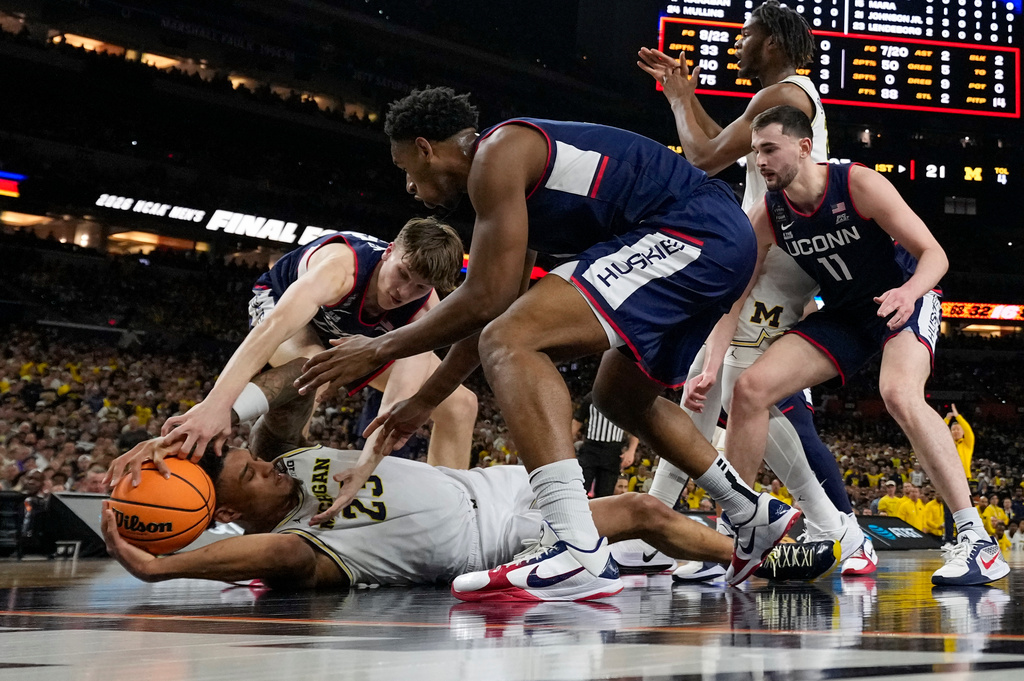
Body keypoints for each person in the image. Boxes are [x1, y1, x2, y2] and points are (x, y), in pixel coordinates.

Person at [293, 86, 802, 600]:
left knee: (512, 341)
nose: (408, 185)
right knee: (617, 398)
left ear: (426, 147)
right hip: (711, 241)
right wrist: (423, 401)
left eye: (407, 168)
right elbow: (492, 310)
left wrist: (380, 348)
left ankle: (574, 546)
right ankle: (751, 513)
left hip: (694, 232)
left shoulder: (497, 154)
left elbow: (488, 304)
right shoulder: (510, 180)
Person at [102, 362, 837, 590]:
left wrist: (204, 416)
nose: (261, 461)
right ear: (221, 502)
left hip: (497, 483)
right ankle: (769, 563)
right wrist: (165, 566)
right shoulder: (299, 551)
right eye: (243, 468)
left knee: (641, 521)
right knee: (643, 509)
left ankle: (735, 552)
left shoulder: (288, 463)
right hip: (497, 535)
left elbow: (291, 384)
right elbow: (272, 554)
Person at [723, 104, 1008, 586]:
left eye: (769, 149)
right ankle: (744, 529)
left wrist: (908, 292)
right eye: (755, 153)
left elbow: (934, 254)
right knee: (749, 390)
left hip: (905, 296)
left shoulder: (856, 183)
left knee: (898, 393)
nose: (760, 161)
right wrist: (710, 362)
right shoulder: (768, 214)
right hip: (846, 313)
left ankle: (976, 539)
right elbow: (735, 293)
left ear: (804, 146)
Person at [637, 0, 870, 576]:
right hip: (760, 249)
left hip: (778, 257)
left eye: (745, 35)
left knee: (747, 388)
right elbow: (723, 144)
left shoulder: (784, 95)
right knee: (703, 387)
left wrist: (674, 98)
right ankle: (657, 521)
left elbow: (702, 156)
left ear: (770, 42)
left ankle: (836, 527)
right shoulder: (783, 96)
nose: (736, 44)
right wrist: (687, 96)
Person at [139, 219, 478, 515]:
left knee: (460, 405)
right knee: (315, 365)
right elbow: (271, 331)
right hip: (281, 304)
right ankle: (265, 496)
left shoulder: (424, 313)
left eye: (419, 286)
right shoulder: (340, 270)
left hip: (356, 337)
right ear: (389, 252)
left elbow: (396, 402)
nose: (403, 292)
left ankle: (449, 508)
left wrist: (364, 468)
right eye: (402, 275)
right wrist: (216, 404)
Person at [572, 392, 638, 498]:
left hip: (613, 451)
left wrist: (631, 451)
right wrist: (566, 444)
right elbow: (577, 421)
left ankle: (598, 514)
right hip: (591, 448)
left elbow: (634, 429)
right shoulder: (592, 397)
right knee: (580, 489)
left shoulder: (627, 401)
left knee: (605, 494)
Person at [944, 403, 974, 542]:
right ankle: (949, 539)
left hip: (963, 480)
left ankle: (965, 538)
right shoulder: (947, 444)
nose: (955, 431)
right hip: (948, 479)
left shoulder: (967, 444)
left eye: (958, 429)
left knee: (965, 510)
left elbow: (969, 431)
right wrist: (947, 420)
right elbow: (940, 433)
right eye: (953, 429)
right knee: (948, 511)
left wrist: (958, 417)